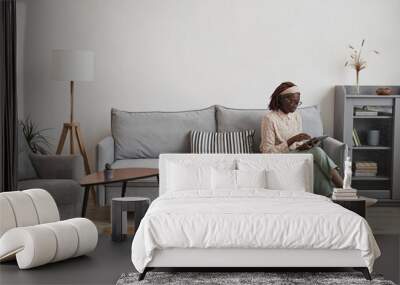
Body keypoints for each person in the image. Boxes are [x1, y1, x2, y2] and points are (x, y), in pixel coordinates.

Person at [260, 81, 343, 196]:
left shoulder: (296, 116)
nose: (295, 105)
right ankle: (345, 189)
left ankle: (331, 197)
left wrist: (304, 145)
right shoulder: (269, 119)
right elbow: (266, 152)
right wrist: (291, 140)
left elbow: (296, 145)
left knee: (314, 163)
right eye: (292, 102)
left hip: (296, 155)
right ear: (281, 99)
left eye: (297, 103)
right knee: (317, 152)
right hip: (278, 159)